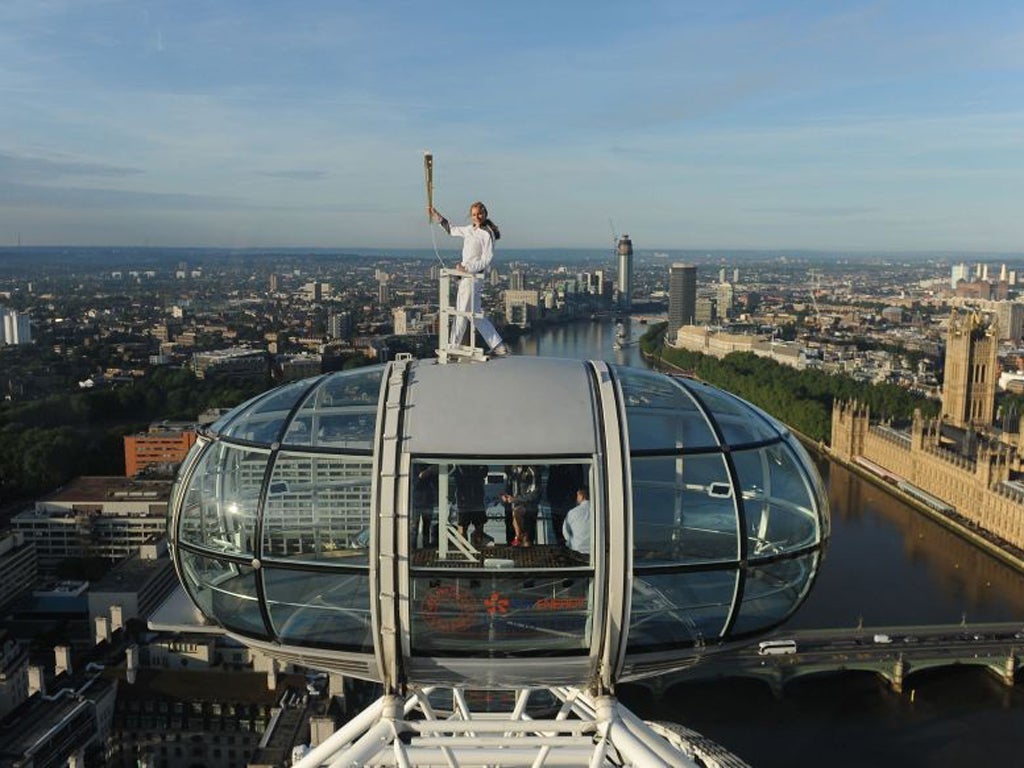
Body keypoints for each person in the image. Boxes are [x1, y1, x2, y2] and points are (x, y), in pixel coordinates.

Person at [429, 201, 509, 356]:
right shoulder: (469, 230)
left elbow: (487, 259)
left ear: (485, 214)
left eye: (479, 213)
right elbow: (451, 229)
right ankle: (498, 345)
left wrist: (468, 268)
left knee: (461, 312)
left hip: (473, 277)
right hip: (466, 277)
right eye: (473, 214)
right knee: (475, 314)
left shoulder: (487, 233)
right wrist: (436, 215)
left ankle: (453, 346)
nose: (476, 217)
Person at [546, 464, 584, 547]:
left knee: (564, 529)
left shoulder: (570, 466)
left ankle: (564, 547)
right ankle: (562, 547)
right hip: (559, 502)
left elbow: (577, 485)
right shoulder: (555, 467)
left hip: (565, 502)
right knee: (560, 530)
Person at [502, 464, 539, 547]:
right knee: (511, 543)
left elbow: (534, 494)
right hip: (511, 509)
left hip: (528, 510)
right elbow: (509, 487)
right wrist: (506, 496)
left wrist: (516, 499)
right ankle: (517, 538)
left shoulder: (531, 470)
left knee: (527, 542)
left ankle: (521, 538)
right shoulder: (512, 469)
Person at [454, 464, 489, 547]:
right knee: (462, 529)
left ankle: (478, 549)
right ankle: (463, 550)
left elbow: (484, 471)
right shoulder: (458, 463)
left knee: (479, 530)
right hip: (462, 501)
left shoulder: (479, 460)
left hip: (477, 500)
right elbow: (459, 472)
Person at [411, 464, 438, 548]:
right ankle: (413, 548)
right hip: (416, 502)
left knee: (427, 527)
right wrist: (422, 475)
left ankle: (425, 547)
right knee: (414, 528)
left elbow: (436, 484)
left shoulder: (431, 466)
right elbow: (414, 484)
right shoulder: (414, 466)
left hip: (428, 501)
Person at [562, 487, 591, 556]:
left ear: (581, 496)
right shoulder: (599, 512)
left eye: (577, 495)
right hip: (595, 550)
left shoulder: (573, 512)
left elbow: (566, 533)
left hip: (576, 550)